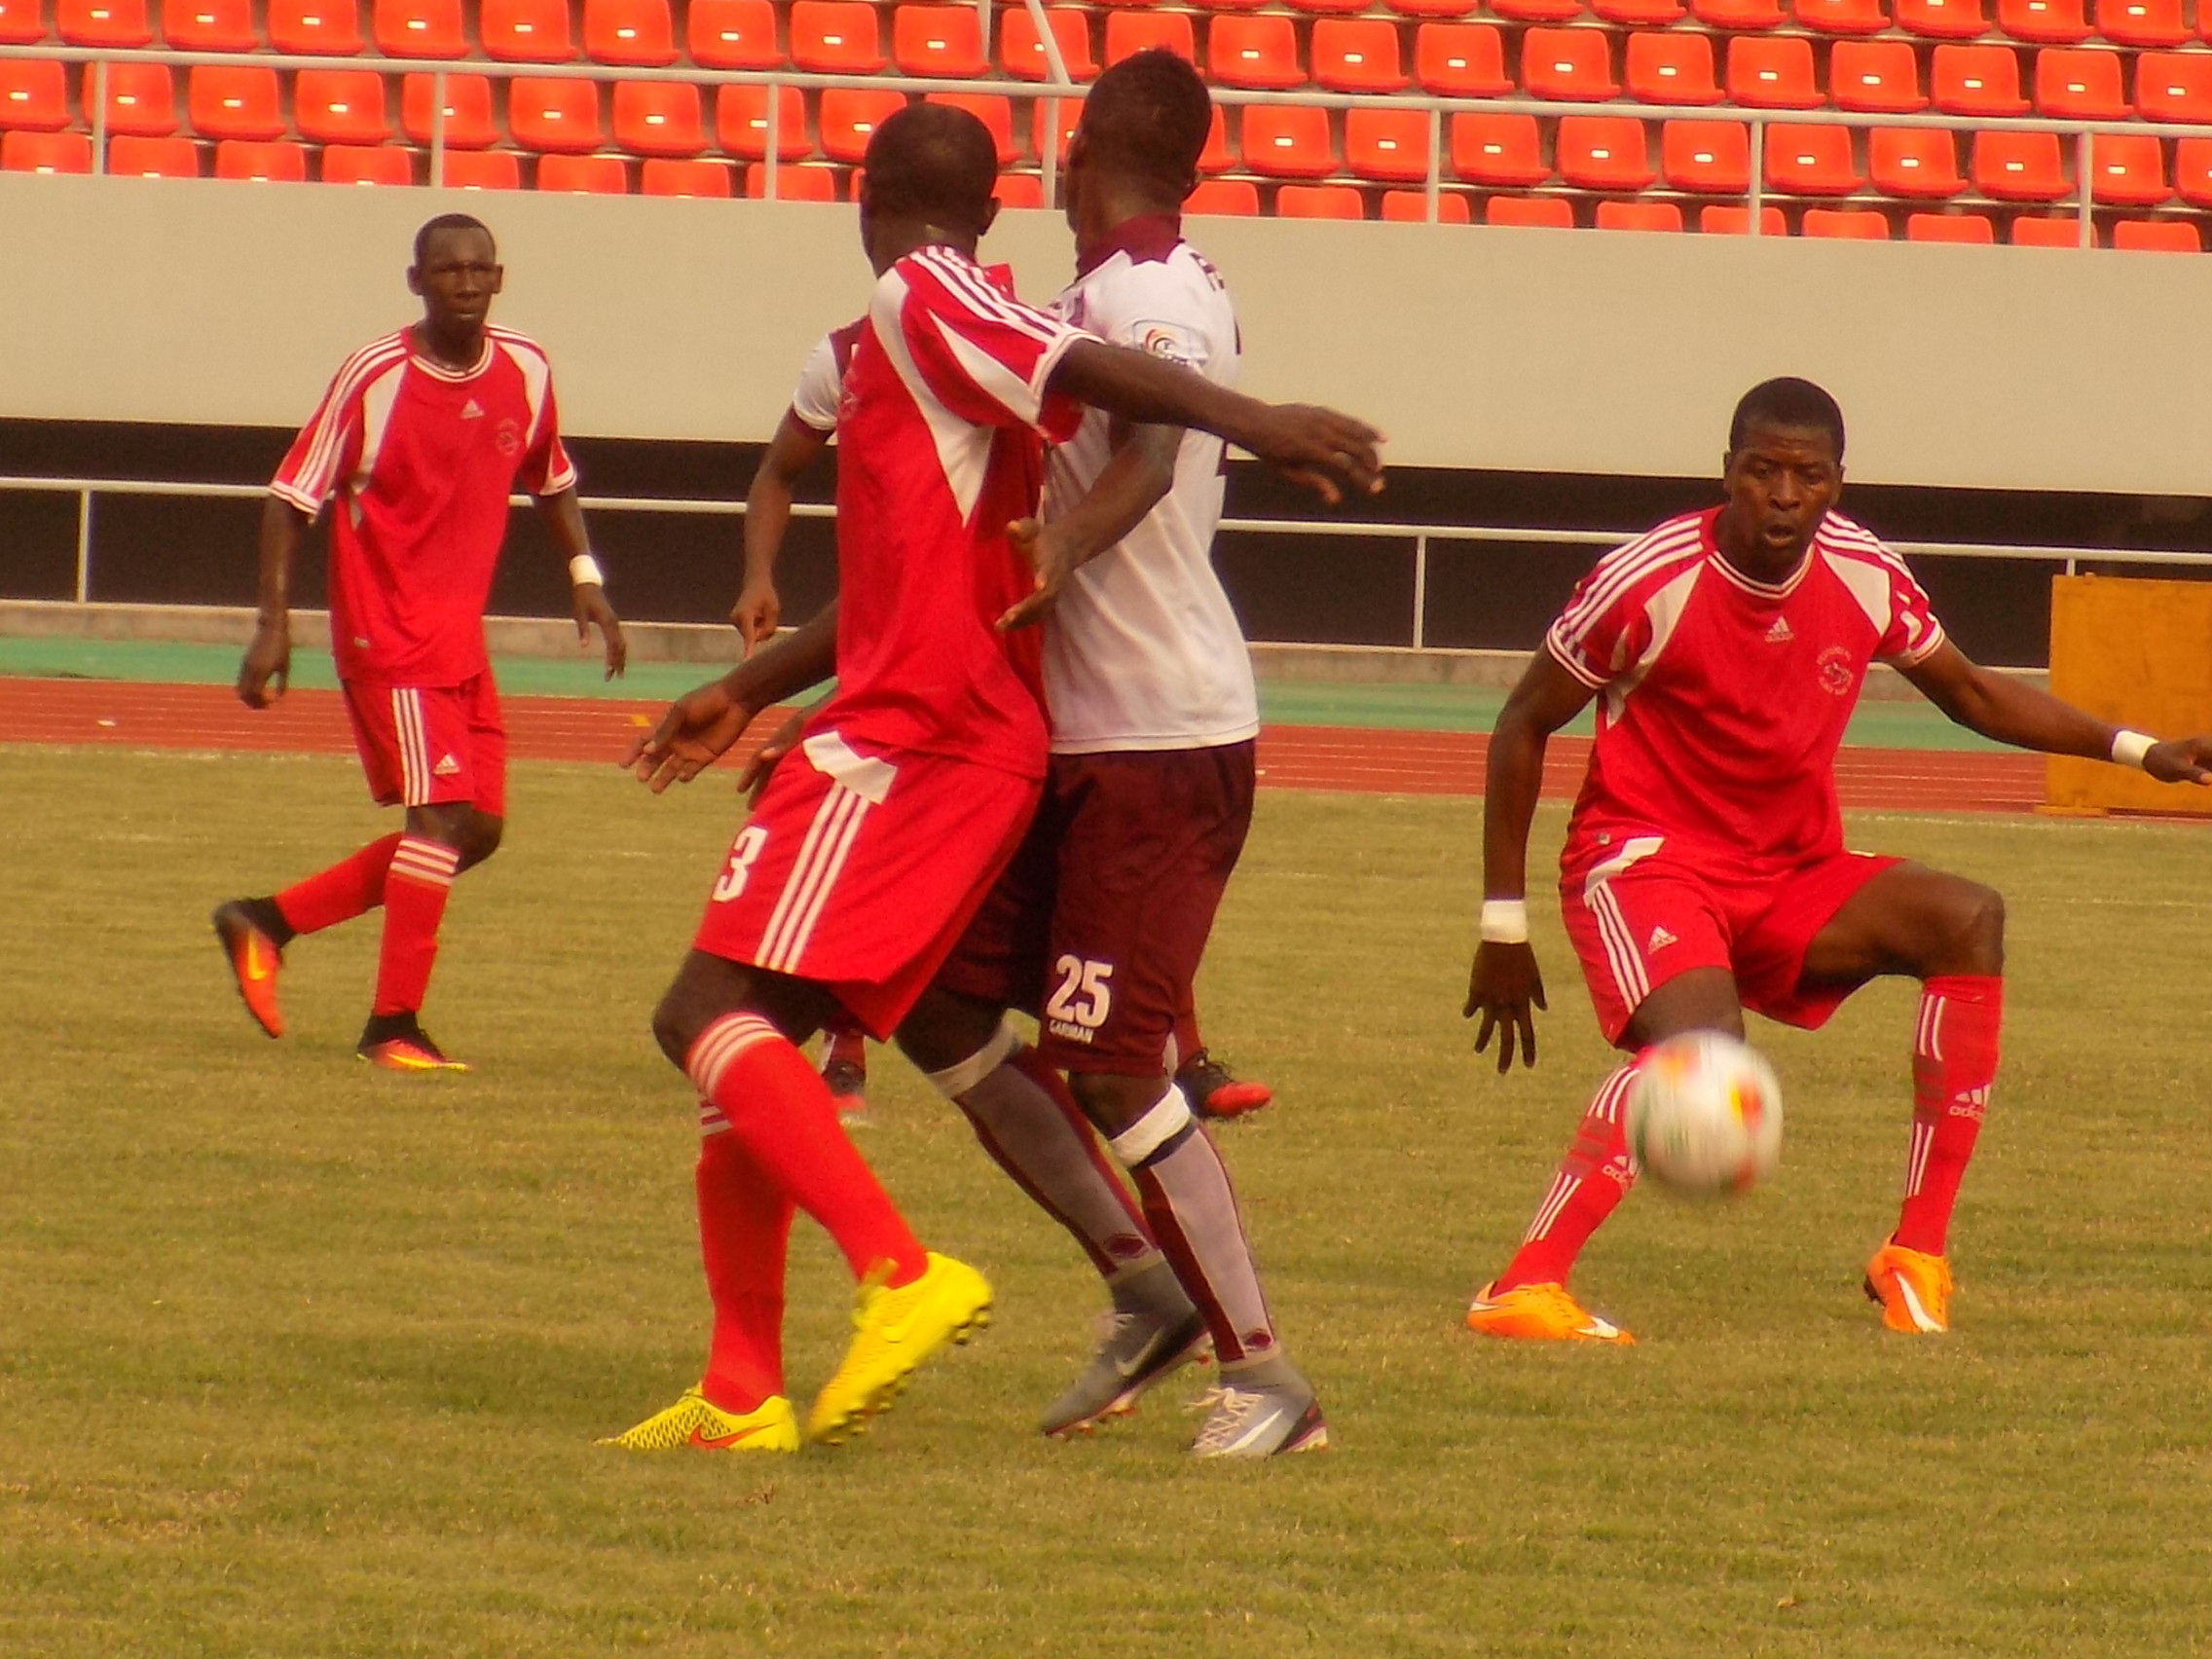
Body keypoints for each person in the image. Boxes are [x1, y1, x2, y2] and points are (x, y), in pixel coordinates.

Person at [606, 102, 1382, 1456]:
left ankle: (943, 1287)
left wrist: (1258, 425)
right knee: (899, 1026)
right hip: (976, 724)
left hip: (946, 737)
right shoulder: (975, 327)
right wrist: (752, 683)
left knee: (713, 1019)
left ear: (866, 194)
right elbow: (931, 570)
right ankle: (759, 1386)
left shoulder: (939, 295)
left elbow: (1122, 407)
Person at [1460, 377, 2212, 1344]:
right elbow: (1522, 722)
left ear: (1837, 485)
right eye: (1760, 471)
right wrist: (1500, 922)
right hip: (1647, 860)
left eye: (1806, 476)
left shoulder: (1862, 571)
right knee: (1703, 1055)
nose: (1782, 495)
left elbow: (1972, 693)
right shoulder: (1648, 578)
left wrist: (2140, 750)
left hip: (1787, 868)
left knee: (1966, 917)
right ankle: (1523, 1284)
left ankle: (1914, 1258)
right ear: (1725, 472)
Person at [892, 49, 1319, 1458]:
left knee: (1119, 1065)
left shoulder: (1144, 296)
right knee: (941, 1006)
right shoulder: (1112, 287)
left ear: (1080, 156)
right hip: (1073, 736)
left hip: (1157, 733)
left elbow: (1143, 449)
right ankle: (1143, 1294)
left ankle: (1265, 1378)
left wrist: (1072, 535)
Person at [731, 310, 1273, 1126]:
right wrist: (760, 584)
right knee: (893, 877)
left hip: (997, 657)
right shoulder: (843, 356)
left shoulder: (1001, 352)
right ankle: (842, 1053)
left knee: (1103, 881)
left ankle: (1173, 1054)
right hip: (901, 645)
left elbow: (990, 546)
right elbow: (782, 471)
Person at [214, 213, 626, 1071]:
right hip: (387, 631)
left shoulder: (527, 368)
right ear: (416, 282)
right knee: (436, 821)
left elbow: (553, 481)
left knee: (477, 830)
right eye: (447, 271)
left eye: (480, 269)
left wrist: (586, 579)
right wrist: (273, 623)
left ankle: (268, 920)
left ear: (499, 279)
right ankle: (392, 1026)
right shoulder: (376, 376)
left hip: (458, 639)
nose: (466, 284)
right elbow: (291, 497)